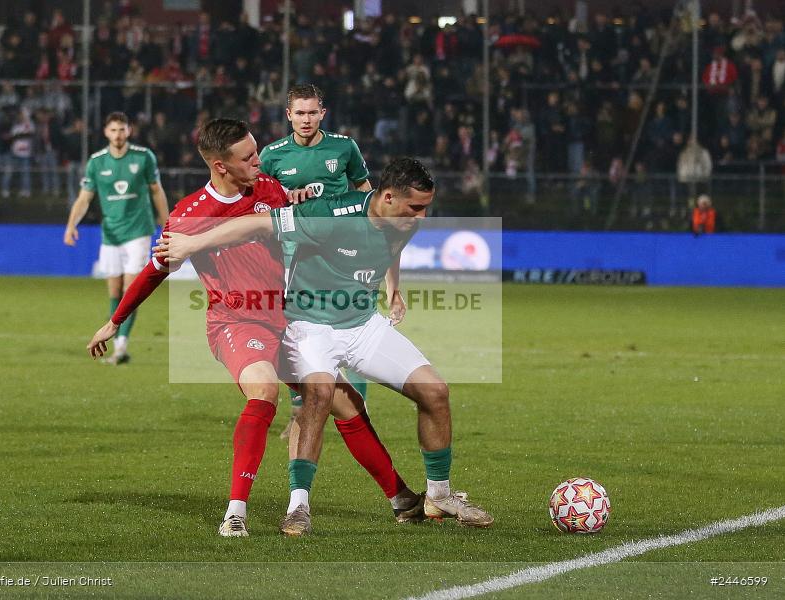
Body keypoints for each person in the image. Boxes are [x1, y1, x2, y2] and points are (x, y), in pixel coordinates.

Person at [87, 119, 423, 538]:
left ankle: (403, 500)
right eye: (247, 157)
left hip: (289, 317)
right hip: (236, 320)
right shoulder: (189, 215)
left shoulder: (269, 189)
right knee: (263, 391)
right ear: (220, 166)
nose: (258, 160)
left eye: (256, 150)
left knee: (346, 402)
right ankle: (235, 512)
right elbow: (155, 270)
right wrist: (114, 321)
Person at [155, 157, 493, 536]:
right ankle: (298, 507)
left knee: (435, 392)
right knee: (317, 396)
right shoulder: (330, 214)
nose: (423, 216)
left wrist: (393, 289)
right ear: (386, 198)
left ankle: (439, 495)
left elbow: (390, 248)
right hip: (309, 326)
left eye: (426, 207)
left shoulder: (404, 220)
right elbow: (257, 223)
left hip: (363, 325)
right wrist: (194, 242)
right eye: (415, 207)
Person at [259, 83, 373, 440]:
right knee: (297, 332)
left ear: (322, 113)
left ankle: (356, 415)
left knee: (353, 328)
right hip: (294, 256)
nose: (306, 120)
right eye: (300, 113)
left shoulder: (343, 147)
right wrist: (284, 198)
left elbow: (364, 190)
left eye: (313, 112)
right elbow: (260, 202)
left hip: (343, 254)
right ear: (288, 115)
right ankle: (303, 408)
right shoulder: (272, 154)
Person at [65, 112, 169, 365]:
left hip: (138, 232)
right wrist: (71, 225)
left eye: (122, 130)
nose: (118, 135)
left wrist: (168, 224)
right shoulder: (97, 162)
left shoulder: (143, 157)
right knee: (114, 290)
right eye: (113, 130)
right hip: (110, 234)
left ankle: (121, 346)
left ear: (129, 131)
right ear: (106, 133)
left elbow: (157, 191)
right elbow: (84, 198)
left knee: (130, 289)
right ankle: (117, 342)